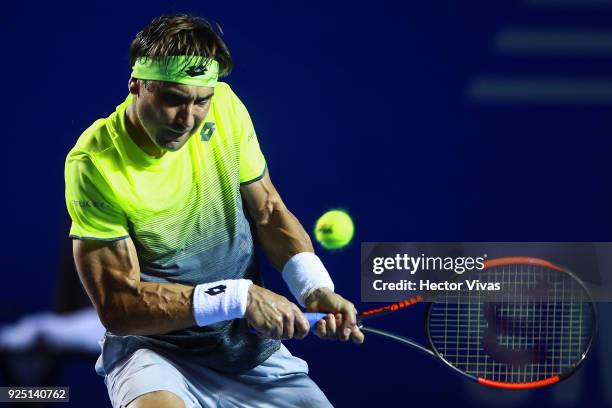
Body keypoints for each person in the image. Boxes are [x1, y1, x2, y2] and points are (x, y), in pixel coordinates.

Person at [64, 13, 364, 408]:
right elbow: (119, 306)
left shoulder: (226, 108)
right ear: (136, 85)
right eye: (173, 98)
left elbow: (269, 211)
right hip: (154, 352)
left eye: (200, 100)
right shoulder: (95, 162)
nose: (187, 119)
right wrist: (238, 297)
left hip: (246, 350)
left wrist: (314, 288)